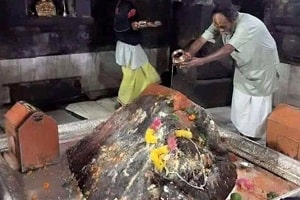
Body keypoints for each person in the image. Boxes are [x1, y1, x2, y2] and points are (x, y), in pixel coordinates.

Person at [178, 3, 280, 141]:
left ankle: (253, 138)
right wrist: (188, 55)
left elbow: (227, 49)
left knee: (257, 106)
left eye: (223, 27)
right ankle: (242, 134)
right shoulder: (219, 20)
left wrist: (201, 61)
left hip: (262, 65)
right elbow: (202, 39)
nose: (219, 30)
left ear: (233, 20)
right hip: (244, 64)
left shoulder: (248, 25)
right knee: (241, 102)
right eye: (217, 26)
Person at [114, 0, 161, 109]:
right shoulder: (125, 5)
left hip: (129, 45)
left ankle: (138, 98)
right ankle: (124, 102)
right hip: (129, 47)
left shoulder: (122, 4)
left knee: (142, 71)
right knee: (131, 75)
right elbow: (130, 25)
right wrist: (149, 24)